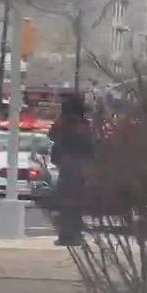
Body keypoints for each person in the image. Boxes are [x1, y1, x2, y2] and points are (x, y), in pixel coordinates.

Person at [48, 95, 94, 246]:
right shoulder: (84, 125)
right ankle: (74, 234)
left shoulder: (67, 124)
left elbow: (52, 134)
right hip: (82, 167)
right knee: (76, 203)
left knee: (68, 202)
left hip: (70, 166)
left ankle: (68, 235)